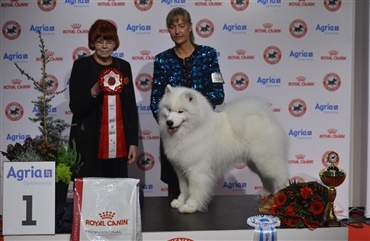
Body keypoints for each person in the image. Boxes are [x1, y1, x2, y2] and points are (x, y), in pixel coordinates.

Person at [150, 8, 225, 197]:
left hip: (203, 134)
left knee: (200, 180)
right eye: (172, 27)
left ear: (190, 27)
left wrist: (196, 115)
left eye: (181, 26)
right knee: (175, 191)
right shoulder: (162, 59)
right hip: (173, 135)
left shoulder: (208, 55)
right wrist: (171, 124)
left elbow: (218, 93)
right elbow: (155, 100)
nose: (177, 31)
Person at [69, 19, 138, 178]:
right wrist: (93, 91)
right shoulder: (81, 66)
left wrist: (133, 142)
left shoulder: (124, 66)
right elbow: (75, 107)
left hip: (118, 141)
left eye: (109, 41)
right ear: (92, 43)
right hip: (88, 141)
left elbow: (130, 107)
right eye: (99, 42)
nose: (105, 46)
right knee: (89, 190)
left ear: (116, 43)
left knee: (116, 190)